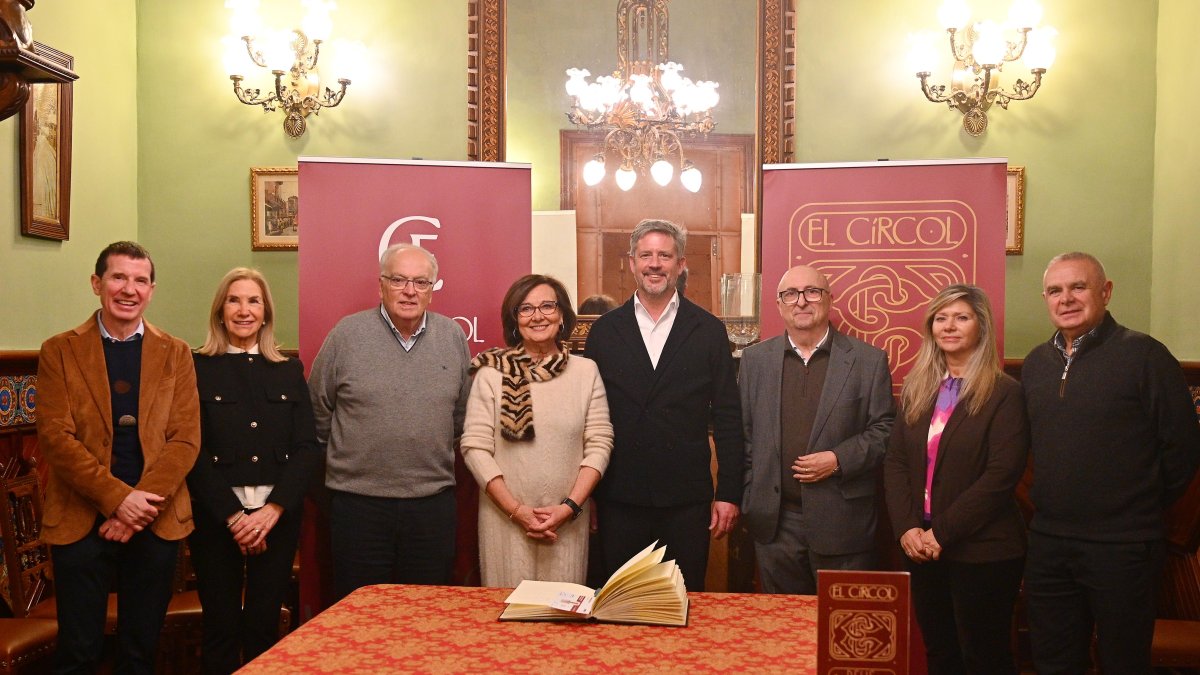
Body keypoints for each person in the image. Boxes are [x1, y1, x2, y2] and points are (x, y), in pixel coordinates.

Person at [1021, 252, 1200, 673]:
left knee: (1123, 661)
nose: (1066, 298)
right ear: (1045, 298)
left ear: (1105, 292)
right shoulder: (1034, 364)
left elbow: (1183, 448)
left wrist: (1137, 504)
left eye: (1078, 287)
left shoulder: (1145, 356)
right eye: (1055, 290)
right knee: (1053, 661)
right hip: (1049, 543)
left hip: (1124, 546)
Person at [35, 241, 200, 674]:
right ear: (97, 283)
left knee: (139, 652)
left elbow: (184, 440)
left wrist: (135, 507)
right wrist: (116, 500)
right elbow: (55, 437)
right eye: (118, 277)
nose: (130, 289)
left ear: (152, 289)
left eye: (140, 280)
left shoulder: (176, 353)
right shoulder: (59, 351)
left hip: (154, 518)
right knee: (78, 652)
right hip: (79, 521)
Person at [584, 219, 743, 591]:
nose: (655, 264)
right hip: (618, 498)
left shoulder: (708, 330)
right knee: (619, 607)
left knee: (681, 605)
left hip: (686, 501)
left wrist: (729, 494)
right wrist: (587, 496)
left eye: (664, 256)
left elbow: (729, 419)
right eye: (646, 255)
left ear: (680, 264)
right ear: (631, 263)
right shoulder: (605, 332)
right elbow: (589, 420)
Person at [309, 243, 471, 599]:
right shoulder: (346, 336)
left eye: (420, 282)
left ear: (432, 289)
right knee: (360, 616)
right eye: (398, 280)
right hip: (358, 507)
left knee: (426, 612)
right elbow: (318, 412)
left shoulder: (453, 338)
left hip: (431, 506)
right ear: (381, 285)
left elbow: (460, 418)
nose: (410, 291)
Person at [883, 285, 1028, 674]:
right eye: (941, 318)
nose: (949, 326)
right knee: (941, 653)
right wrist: (907, 528)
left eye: (961, 317)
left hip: (984, 550)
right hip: (921, 546)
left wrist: (941, 533)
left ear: (981, 326)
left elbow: (1000, 477)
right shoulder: (918, 388)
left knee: (984, 658)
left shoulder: (1004, 394)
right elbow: (895, 460)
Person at [188, 268, 319, 673]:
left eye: (253, 301)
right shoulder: (194, 368)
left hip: (276, 518)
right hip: (216, 518)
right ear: (220, 312)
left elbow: (306, 449)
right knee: (220, 628)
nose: (244, 310)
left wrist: (270, 511)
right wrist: (233, 516)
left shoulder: (287, 371)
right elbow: (191, 451)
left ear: (265, 314)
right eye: (234, 300)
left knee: (264, 628)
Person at [739, 264, 895, 594]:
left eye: (812, 292)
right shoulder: (755, 361)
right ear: (779, 304)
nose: (801, 302)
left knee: (842, 633)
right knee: (781, 633)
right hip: (775, 525)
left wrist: (838, 459)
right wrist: (752, 494)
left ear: (829, 299)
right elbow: (745, 434)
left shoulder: (868, 360)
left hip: (843, 522)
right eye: (790, 294)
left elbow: (885, 430)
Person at [461, 274, 613, 586]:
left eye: (547, 306)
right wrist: (517, 511)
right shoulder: (492, 372)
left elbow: (599, 443)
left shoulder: (586, 372)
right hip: (505, 522)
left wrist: (570, 507)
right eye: (526, 309)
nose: (538, 316)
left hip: (566, 524)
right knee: (506, 621)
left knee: (562, 621)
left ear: (562, 315)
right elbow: (475, 448)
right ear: (514, 319)